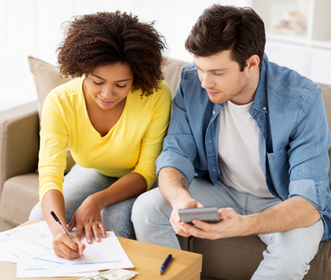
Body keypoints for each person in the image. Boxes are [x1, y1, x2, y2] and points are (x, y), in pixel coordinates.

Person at [131, 4, 331, 279]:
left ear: (251, 63)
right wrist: (180, 200)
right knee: (146, 208)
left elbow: (309, 203)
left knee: (293, 250)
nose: (204, 82)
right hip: (221, 190)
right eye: (200, 68)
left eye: (217, 72)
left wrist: (242, 225)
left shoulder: (302, 99)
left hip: (279, 201)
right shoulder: (191, 82)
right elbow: (174, 155)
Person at [29, 11, 171, 260]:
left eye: (121, 84)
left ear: (136, 77)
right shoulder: (60, 102)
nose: (107, 94)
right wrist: (59, 232)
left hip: (140, 179)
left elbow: (147, 172)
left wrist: (96, 201)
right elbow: (50, 173)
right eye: (97, 81)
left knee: (112, 225)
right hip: (96, 171)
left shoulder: (155, 95)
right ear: (83, 69)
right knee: (41, 222)